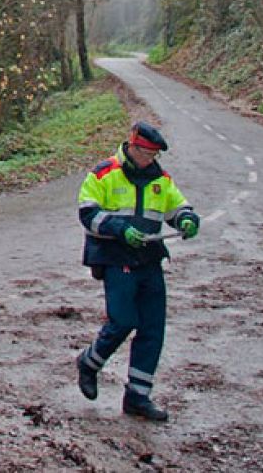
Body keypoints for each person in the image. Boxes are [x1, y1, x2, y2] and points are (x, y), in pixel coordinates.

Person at [75, 121, 200, 422]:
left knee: (152, 328)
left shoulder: (160, 178)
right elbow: (87, 213)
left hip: (149, 259)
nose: (150, 160)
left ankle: (138, 396)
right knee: (123, 321)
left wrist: (187, 219)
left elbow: (177, 206)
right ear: (133, 146)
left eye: (155, 155)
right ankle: (89, 363)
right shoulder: (103, 173)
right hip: (116, 258)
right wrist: (120, 229)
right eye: (147, 153)